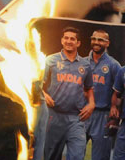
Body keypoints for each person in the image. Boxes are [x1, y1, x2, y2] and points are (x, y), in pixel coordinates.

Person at [40, 26, 96, 160]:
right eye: (66, 38)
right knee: (51, 157)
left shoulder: (85, 65)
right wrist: (44, 95)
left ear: (78, 43)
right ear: (62, 40)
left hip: (76, 118)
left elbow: (89, 88)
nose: (69, 41)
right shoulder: (51, 60)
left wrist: (92, 103)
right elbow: (38, 84)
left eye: (72, 39)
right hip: (54, 116)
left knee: (77, 155)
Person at [85, 29, 121, 160]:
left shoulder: (114, 65)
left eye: (100, 40)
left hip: (103, 115)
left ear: (107, 43)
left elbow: (119, 93)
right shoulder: (82, 63)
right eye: (94, 39)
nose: (96, 42)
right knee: (75, 154)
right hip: (82, 114)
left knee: (100, 157)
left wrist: (115, 117)